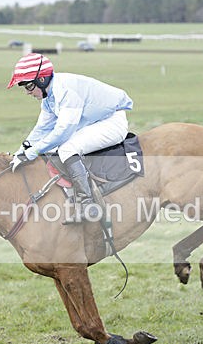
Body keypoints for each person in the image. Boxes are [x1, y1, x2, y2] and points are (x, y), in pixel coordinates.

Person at [7, 53, 133, 222]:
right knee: (52, 148)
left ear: (42, 80)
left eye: (28, 86)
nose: (27, 92)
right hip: (94, 121)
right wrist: (21, 151)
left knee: (66, 148)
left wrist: (32, 153)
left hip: (111, 122)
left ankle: (88, 205)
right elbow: (41, 129)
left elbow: (62, 132)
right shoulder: (49, 97)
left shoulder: (66, 91)